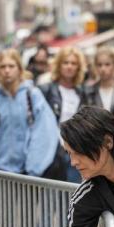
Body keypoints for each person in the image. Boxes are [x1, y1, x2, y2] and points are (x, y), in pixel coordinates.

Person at [0, 49, 60, 178]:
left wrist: (33, 169)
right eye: (3, 66)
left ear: (19, 69)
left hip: (27, 173)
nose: (7, 70)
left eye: (11, 66)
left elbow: (45, 133)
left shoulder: (32, 95)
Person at [42, 47, 88, 183]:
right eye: (65, 62)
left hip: (76, 151)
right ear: (58, 65)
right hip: (52, 152)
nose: (69, 67)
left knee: (72, 195)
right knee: (52, 198)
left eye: (73, 63)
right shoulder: (46, 90)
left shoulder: (83, 92)